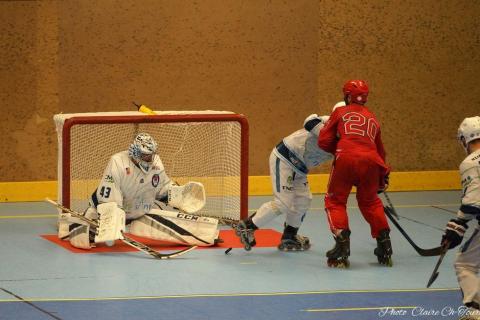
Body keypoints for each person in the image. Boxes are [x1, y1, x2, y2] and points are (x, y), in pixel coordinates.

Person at [66, 133, 220, 249]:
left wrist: (178, 195)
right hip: (107, 212)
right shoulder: (118, 162)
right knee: (81, 237)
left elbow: (161, 187)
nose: (149, 159)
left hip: (139, 213)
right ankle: (69, 225)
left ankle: (209, 234)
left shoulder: (156, 162)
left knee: (177, 224)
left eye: (151, 155)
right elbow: (108, 197)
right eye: (145, 155)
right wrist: (112, 222)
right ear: (135, 152)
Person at [235, 109, 337, 251]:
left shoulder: (349, 139)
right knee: (283, 203)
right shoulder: (325, 122)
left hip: (301, 168)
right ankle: (247, 226)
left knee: (304, 200)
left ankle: (289, 236)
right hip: (285, 157)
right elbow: (309, 121)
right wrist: (327, 131)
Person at [317, 80, 391, 268]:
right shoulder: (373, 118)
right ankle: (385, 245)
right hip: (372, 162)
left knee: (335, 201)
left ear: (347, 95)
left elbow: (323, 141)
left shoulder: (340, 112)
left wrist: (343, 150)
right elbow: (381, 152)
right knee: (370, 201)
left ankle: (342, 246)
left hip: (346, 158)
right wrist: (382, 176)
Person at [441, 116, 480, 320]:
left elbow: (473, 200)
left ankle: (476, 312)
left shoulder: (470, 162)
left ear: (465, 140)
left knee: (464, 264)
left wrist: (457, 225)